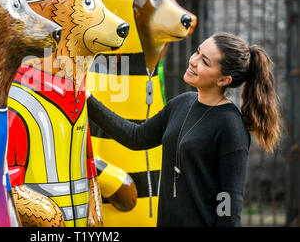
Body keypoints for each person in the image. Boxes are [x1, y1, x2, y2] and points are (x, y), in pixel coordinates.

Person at [87, 32, 281, 226]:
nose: (193, 61)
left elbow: (229, 201)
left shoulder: (230, 125)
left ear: (223, 80)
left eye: (205, 61)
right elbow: (135, 137)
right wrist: (87, 99)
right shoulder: (181, 103)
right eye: (198, 52)